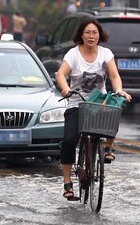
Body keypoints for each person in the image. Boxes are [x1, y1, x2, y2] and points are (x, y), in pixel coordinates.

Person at [55, 19, 132, 200]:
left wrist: (119, 91)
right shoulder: (73, 54)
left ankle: (108, 148)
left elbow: (114, 76)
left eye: (94, 33)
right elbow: (61, 74)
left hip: (99, 104)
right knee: (69, 140)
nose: (91, 36)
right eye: (88, 32)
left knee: (115, 109)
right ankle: (67, 182)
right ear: (81, 35)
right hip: (77, 103)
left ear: (99, 35)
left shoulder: (106, 54)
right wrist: (65, 89)